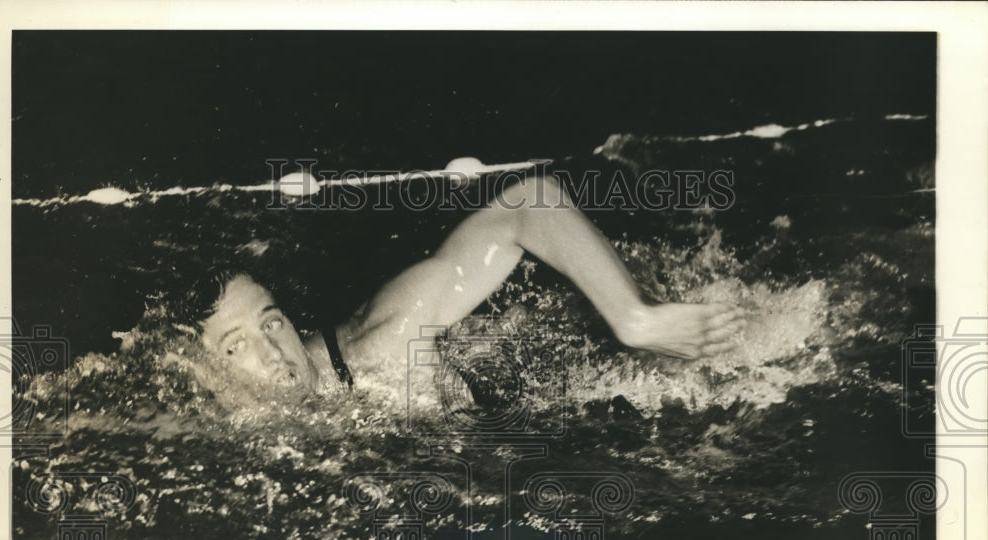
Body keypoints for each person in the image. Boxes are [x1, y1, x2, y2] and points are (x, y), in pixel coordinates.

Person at [195, 174, 743, 404]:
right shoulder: (217, 411)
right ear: (206, 369)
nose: (272, 353)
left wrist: (635, 320)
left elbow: (529, 201)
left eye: (271, 322)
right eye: (235, 345)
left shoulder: (384, 343)